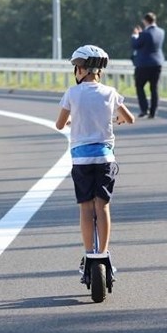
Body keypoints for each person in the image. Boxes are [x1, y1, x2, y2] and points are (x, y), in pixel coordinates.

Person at [55, 44, 135, 283]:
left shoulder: (72, 93)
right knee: (103, 207)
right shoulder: (110, 93)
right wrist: (116, 118)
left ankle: (90, 253)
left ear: (80, 69)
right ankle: (103, 252)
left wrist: (72, 124)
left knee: (85, 208)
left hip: (81, 160)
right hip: (104, 159)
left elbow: (60, 125)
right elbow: (128, 118)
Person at [130, 12, 165, 118]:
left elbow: (136, 45)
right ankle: (153, 111)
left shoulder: (144, 33)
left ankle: (144, 109)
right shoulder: (161, 32)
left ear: (145, 21)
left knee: (139, 86)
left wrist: (135, 35)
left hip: (144, 64)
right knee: (154, 88)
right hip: (157, 63)